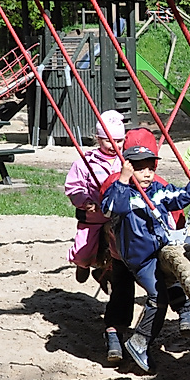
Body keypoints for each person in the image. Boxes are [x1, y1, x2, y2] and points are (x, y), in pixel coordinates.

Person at [101, 129, 190, 372]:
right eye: (139, 168)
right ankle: (139, 342)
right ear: (127, 167)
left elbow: (181, 197)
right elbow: (112, 209)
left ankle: (179, 315)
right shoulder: (121, 191)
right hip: (138, 259)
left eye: (151, 168)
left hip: (158, 252)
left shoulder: (157, 190)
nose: (146, 173)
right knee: (157, 297)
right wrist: (124, 180)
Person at [65, 109, 125, 284]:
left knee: (118, 253)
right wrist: (85, 202)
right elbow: (74, 187)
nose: (115, 145)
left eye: (119, 141)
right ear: (98, 139)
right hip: (93, 216)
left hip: (117, 217)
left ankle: (104, 273)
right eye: (109, 141)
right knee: (83, 253)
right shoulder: (85, 163)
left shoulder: (125, 162)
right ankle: (82, 265)